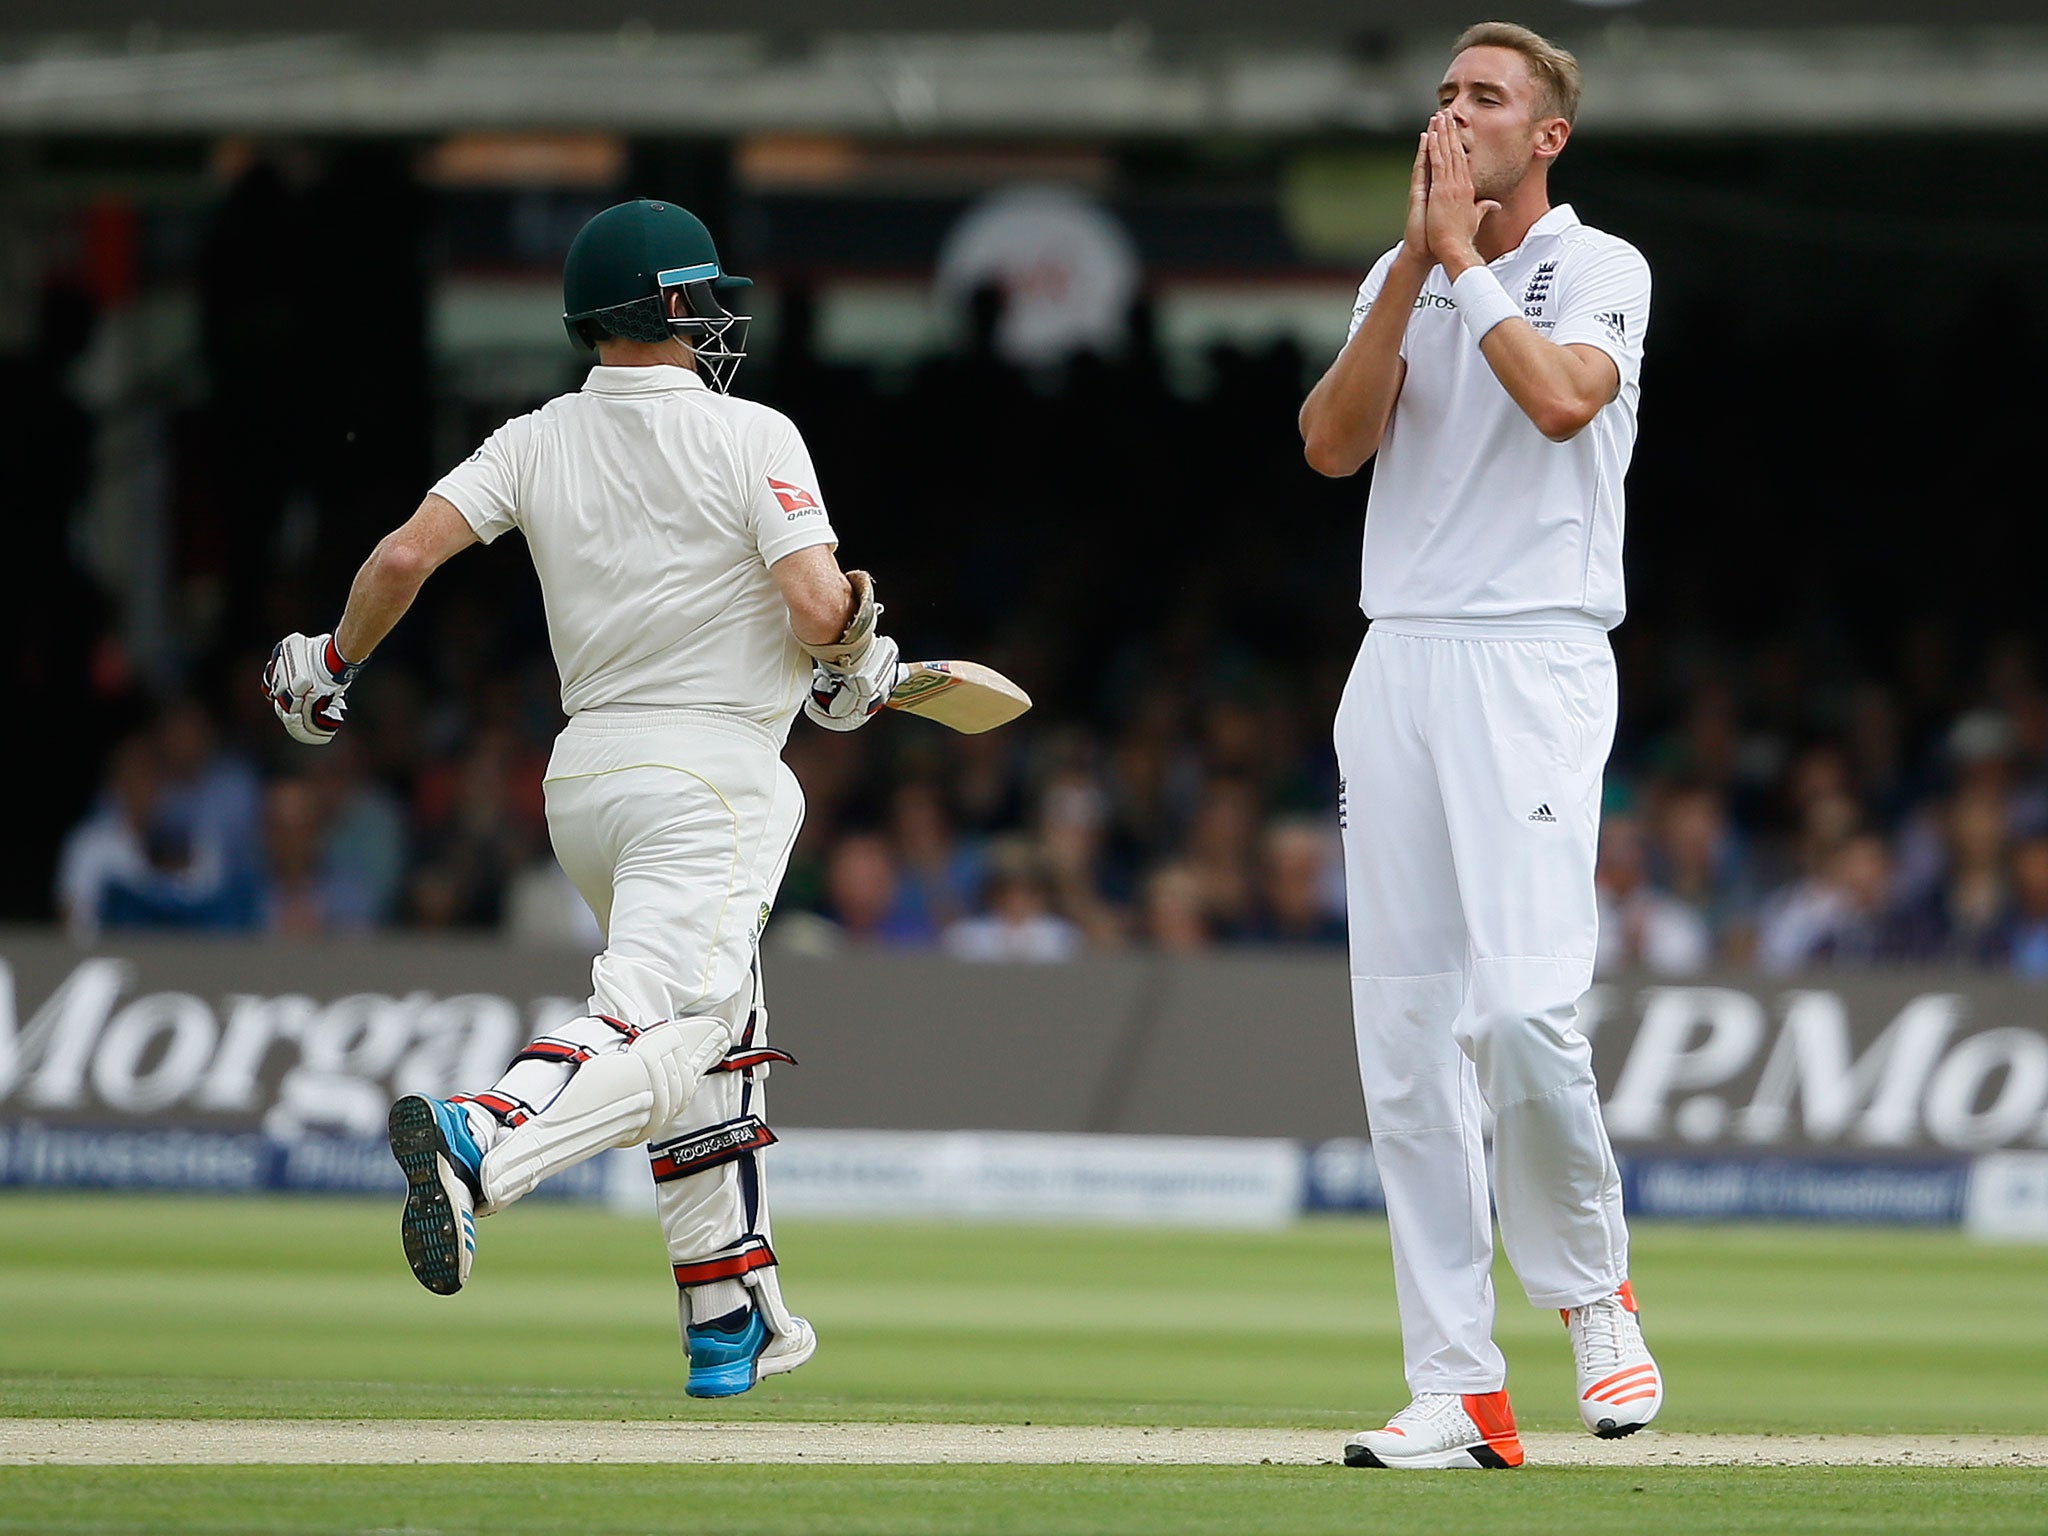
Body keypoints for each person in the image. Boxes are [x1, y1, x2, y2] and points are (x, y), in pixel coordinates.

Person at [261, 198, 904, 1398]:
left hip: (585, 786)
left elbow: (401, 557)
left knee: (723, 1038)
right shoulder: (751, 431)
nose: (718, 317)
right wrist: (856, 644)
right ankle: (484, 1140)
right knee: (672, 1023)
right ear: (665, 309)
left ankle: (727, 1319)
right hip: (710, 780)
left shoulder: (533, 438)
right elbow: (819, 611)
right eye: (702, 296)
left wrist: (330, 666)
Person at [1299, 23, 1661, 1469]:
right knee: (1402, 1042)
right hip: (1399, 657)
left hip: (1535, 655)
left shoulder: (1600, 265)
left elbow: (1567, 401)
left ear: (1545, 136)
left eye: (1486, 97)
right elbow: (1331, 447)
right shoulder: (1400, 275)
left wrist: (1463, 262)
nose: (1454, 111)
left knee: (1521, 1013)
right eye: (1446, 92)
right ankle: (1458, 1383)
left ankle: (1590, 1293)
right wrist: (1410, 269)